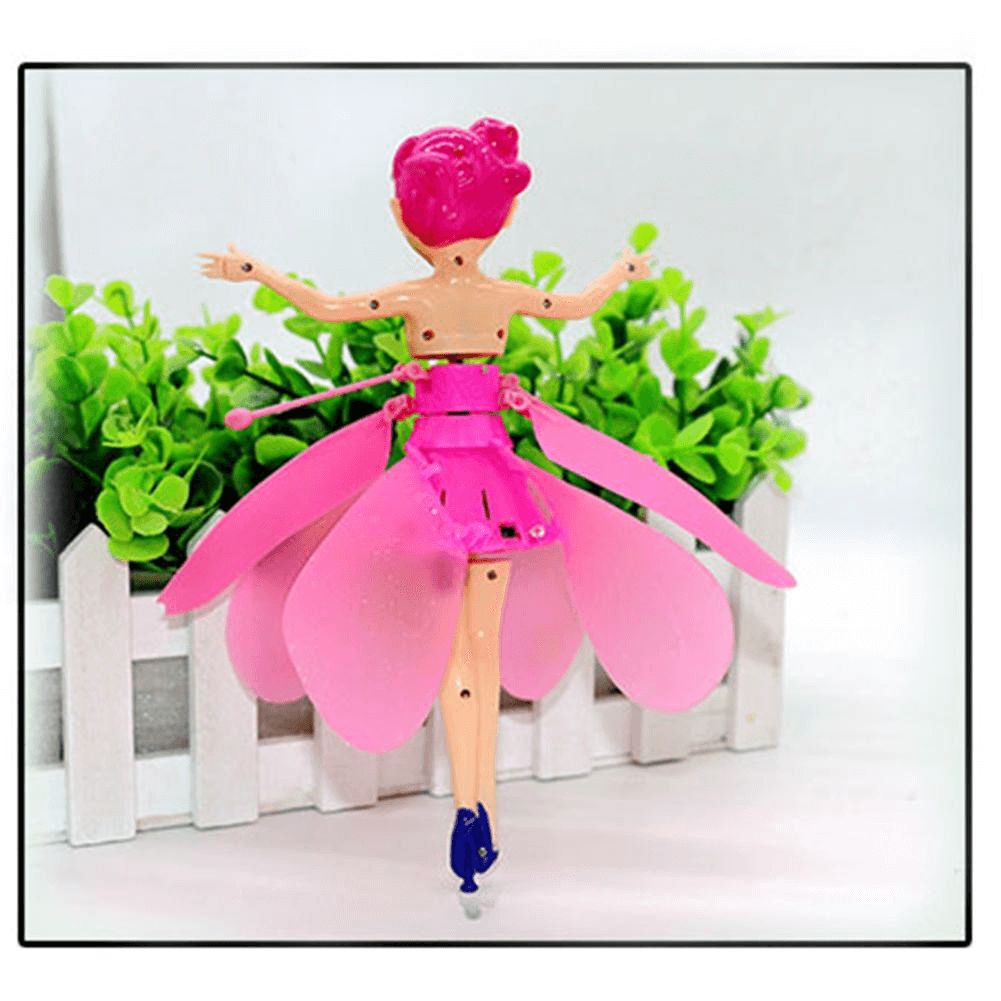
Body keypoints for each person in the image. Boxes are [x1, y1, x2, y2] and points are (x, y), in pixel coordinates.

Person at [164, 118, 793, 897]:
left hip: (428, 490)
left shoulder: (413, 296)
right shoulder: (502, 297)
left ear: (402, 219)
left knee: (453, 652)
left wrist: (256, 270)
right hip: (494, 490)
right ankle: (478, 803)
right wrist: (620, 270)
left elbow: (325, 307)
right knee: (480, 651)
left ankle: (468, 804)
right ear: (507, 215)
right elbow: (575, 304)